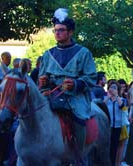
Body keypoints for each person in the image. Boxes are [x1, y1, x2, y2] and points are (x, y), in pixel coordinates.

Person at [38, 8, 97, 154]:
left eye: (61, 30)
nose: (57, 33)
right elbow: (42, 77)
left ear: (70, 32)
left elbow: (91, 78)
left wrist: (76, 84)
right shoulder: (48, 54)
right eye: (55, 30)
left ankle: (79, 155)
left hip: (75, 97)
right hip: (52, 94)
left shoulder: (83, 53)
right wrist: (43, 84)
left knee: (79, 119)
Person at [103, 80, 126, 166]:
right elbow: (102, 106)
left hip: (117, 127)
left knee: (114, 147)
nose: (112, 89)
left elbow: (122, 106)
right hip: (107, 127)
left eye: (115, 88)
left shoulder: (121, 99)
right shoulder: (106, 99)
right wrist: (108, 97)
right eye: (111, 87)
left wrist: (116, 96)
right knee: (106, 147)